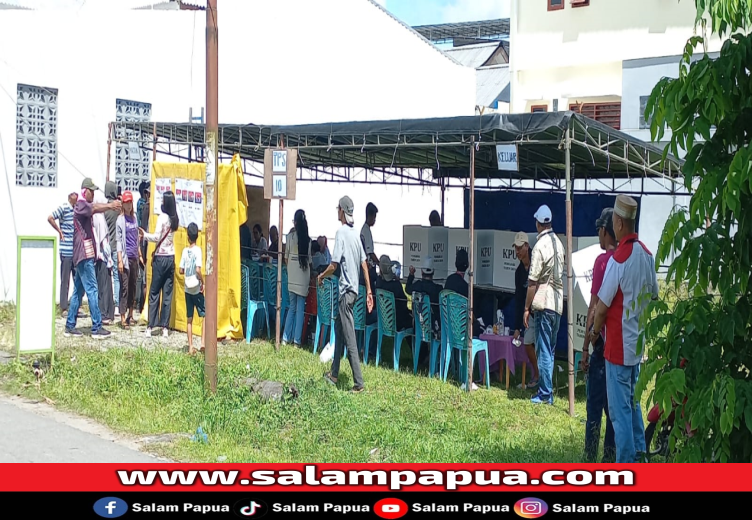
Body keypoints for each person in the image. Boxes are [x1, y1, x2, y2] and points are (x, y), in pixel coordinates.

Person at [592, 195, 657, 463]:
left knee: (619, 414)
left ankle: (627, 467)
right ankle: (641, 457)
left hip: (617, 347)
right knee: (633, 405)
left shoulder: (619, 259)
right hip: (638, 345)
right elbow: (653, 296)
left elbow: (602, 306)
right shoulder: (647, 255)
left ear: (618, 222)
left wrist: (594, 332)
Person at [320, 196, 374, 393]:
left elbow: (334, 265)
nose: (337, 212)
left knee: (349, 337)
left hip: (345, 293)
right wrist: (368, 290)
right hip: (355, 292)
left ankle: (359, 383)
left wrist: (320, 276)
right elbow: (364, 264)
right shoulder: (355, 234)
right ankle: (334, 373)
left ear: (342, 211)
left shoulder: (341, 233)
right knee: (339, 329)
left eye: (338, 209)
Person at [582, 208, 618, 463]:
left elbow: (594, 306)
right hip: (622, 345)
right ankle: (610, 461)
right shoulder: (629, 259)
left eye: (598, 231)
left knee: (594, 408)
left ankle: (589, 459)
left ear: (604, 231)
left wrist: (585, 346)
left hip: (602, 340)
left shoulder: (603, 262)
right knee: (614, 411)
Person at [64, 178, 121, 338]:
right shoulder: (82, 204)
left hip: (84, 255)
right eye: (92, 191)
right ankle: (97, 326)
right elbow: (95, 208)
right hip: (84, 255)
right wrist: (110, 205)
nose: (93, 194)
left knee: (78, 292)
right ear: (85, 191)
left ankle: (70, 325)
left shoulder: (82, 205)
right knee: (92, 289)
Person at [524, 204, 564, 405]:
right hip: (557, 303)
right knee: (551, 348)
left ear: (538, 223)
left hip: (543, 301)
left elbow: (532, 282)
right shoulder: (559, 244)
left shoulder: (540, 246)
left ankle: (545, 393)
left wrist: (526, 307)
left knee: (543, 349)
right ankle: (547, 391)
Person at [141, 191, 179, 338]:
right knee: (167, 294)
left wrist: (144, 234)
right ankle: (164, 327)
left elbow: (157, 236)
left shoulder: (162, 217)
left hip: (160, 258)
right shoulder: (174, 219)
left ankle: (151, 326)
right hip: (171, 257)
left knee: (154, 292)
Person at [512, 232, 539, 389]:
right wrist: (517, 327)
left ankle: (544, 378)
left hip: (544, 310)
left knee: (543, 347)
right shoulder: (518, 272)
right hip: (531, 314)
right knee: (528, 343)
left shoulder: (537, 262)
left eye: (520, 248)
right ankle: (536, 373)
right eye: (515, 248)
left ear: (527, 246)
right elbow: (519, 299)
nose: (517, 252)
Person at [283, 210, 311, 347]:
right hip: (303, 278)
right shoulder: (308, 240)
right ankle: (296, 341)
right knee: (300, 309)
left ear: (295, 222)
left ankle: (285, 338)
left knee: (291, 307)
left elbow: (286, 258)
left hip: (292, 277)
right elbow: (310, 262)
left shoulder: (289, 237)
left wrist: (291, 271)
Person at [47, 192, 78, 316]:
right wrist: (59, 231)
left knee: (77, 279)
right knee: (65, 279)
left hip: (75, 251)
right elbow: (50, 217)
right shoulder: (64, 208)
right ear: (71, 199)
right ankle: (64, 307)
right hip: (66, 251)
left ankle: (76, 305)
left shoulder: (76, 210)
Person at [116, 191, 142, 330]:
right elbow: (119, 241)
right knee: (124, 287)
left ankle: (130, 314)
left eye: (130, 202)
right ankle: (122, 316)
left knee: (133, 286)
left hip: (134, 257)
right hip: (125, 258)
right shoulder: (120, 220)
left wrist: (139, 254)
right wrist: (120, 260)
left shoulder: (135, 218)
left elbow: (136, 237)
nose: (129, 205)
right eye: (126, 202)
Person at [180, 223, 205, 355]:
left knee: (189, 318)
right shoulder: (198, 251)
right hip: (196, 287)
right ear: (197, 235)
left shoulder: (184, 251)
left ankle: (190, 346)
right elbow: (198, 270)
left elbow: (180, 270)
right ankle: (202, 343)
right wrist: (202, 280)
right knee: (204, 315)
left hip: (187, 289)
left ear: (188, 236)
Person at [93, 189, 115, 325]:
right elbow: (103, 239)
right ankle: (108, 313)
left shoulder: (97, 217)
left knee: (103, 286)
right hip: (104, 256)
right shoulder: (99, 218)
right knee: (105, 285)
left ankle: (104, 313)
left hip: (101, 256)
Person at [375, 255, 412, 332]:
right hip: (397, 321)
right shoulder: (396, 285)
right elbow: (404, 302)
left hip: (382, 320)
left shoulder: (378, 283)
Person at [406, 257, 442, 333]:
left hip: (418, 325)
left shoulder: (417, 286)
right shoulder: (438, 289)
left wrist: (411, 275)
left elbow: (407, 289)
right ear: (433, 272)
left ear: (422, 272)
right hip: (434, 326)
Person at [104, 181, 120, 317]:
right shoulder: (118, 208)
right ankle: (116, 305)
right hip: (117, 246)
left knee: (107, 276)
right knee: (117, 276)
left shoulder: (104, 209)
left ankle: (109, 303)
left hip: (106, 247)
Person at [361, 203, 378, 325]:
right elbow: (370, 252)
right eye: (374, 217)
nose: (375, 220)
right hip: (369, 269)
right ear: (370, 216)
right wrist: (380, 263)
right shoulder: (365, 231)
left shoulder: (365, 230)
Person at [137, 185, 151, 314]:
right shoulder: (146, 207)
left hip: (144, 244)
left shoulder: (142, 205)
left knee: (143, 279)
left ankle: (141, 305)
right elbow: (143, 228)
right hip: (145, 245)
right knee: (144, 279)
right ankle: (142, 306)